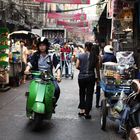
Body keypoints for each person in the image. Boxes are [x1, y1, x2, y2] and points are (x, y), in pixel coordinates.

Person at [24, 37, 61, 109]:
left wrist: (59, 75)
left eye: (43, 45)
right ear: (38, 46)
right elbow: (30, 63)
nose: (42, 47)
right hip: (37, 75)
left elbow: (57, 66)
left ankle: (53, 104)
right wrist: (27, 69)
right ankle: (30, 105)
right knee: (32, 91)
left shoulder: (52, 55)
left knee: (57, 89)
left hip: (49, 76)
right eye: (40, 45)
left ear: (46, 46)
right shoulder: (35, 55)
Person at [76, 42, 100, 119]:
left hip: (81, 77)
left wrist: (82, 69)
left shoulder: (81, 55)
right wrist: (98, 79)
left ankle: (81, 111)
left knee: (82, 93)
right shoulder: (95, 57)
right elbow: (97, 69)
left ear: (85, 48)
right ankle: (87, 113)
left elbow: (77, 66)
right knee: (89, 95)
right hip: (90, 77)